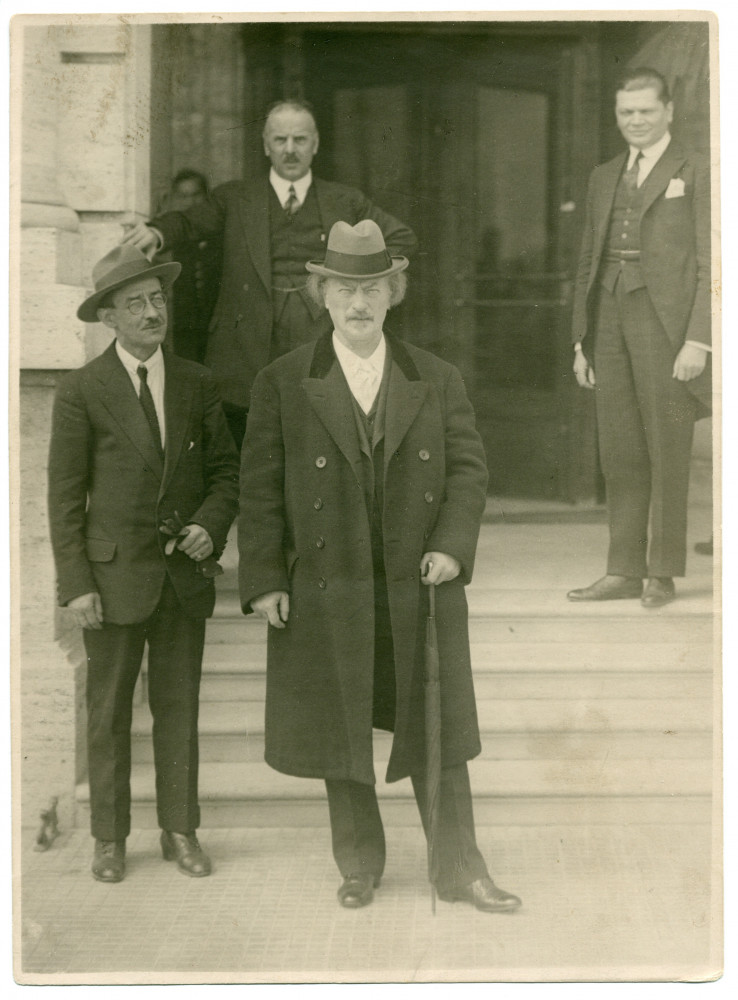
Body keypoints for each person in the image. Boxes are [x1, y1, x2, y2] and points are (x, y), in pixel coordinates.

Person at [238, 219, 521, 913]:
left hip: (414, 582)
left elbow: (469, 471)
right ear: (323, 295)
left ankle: (460, 868)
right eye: (343, 289)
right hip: (330, 582)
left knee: (437, 726)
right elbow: (259, 486)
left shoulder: (436, 377)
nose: (358, 303)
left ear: (394, 293)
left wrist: (451, 545)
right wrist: (266, 577)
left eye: (372, 289)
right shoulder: (283, 381)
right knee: (342, 725)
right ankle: (359, 863)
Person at [47, 245, 240, 883]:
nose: (152, 312)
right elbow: (64, 498)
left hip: (181, 580)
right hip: (111, 581)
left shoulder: (197, 381)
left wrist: (209, 526)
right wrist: (76, 585)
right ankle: (109, 839)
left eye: (157, 299)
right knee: (107, 715)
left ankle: (180, 830)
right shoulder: (81, 390)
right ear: (109, 317)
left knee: (178, 711)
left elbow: (226, 474)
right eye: (135, 303)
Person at [121, 100, 418, 449]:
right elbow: (188, 221)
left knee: (317, 440)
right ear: (266, 145)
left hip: (319, 334)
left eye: (300, 140)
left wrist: (351, 277)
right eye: (280, 140)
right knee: (249, 446)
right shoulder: (234, 198)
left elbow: (402, 237)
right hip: (245, 344)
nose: (290, 150)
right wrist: (157, 232)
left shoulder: (344, 200)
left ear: (315, 144)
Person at [568, 67, 711, 609]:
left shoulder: (697, 169)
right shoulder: (604, 175)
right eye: (626, 112)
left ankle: (662, 573)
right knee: (620, 447)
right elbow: (588, 258)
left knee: (667, 445)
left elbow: (715, 262)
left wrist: (699, 340)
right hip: (608, 315)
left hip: (665, 323)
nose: (636, 121)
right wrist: (581, 339)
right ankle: (624, 569)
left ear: (668, 111)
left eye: (646, 110)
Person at [155, 169, 223, 364]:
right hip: (181, 326)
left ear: (206, 197)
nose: (190, 202)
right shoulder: (169, 242)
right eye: (183, 196)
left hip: (215, 326)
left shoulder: (221, 236)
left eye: (196, 195)